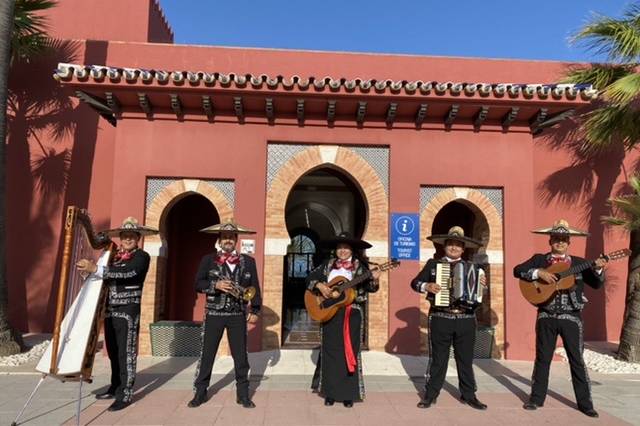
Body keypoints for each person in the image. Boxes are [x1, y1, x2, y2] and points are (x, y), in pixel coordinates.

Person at [514, 219, 606, 418]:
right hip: (546, 315)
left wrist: (598, 268)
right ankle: (536, 398)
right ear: (550, 240)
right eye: (556, 238)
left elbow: (596, 284)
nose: (560, 242)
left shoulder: (580, 263)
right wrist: (539, 273)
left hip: (571, 317)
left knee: (577, 360)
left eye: (564, 239)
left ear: (569, 242)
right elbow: (517, 270)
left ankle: (585, 403)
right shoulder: (539, 259)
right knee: (542, 358)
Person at [76, 217, 158, 411]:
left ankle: (125, 393)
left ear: (138, 238)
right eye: (125, 236)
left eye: (132, 236)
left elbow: (129, 274)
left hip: (128, 311)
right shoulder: (114, 257)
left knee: (126, 353)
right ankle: (115, 387)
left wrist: (96, 269)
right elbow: (106, 275)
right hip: (111, 310)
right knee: (113, 352)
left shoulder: (142, 257)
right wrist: (89, 272)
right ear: (121, 238)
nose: (128, 239)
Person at [410, 226, 488, 410]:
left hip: (466, 318)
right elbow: (415, 283)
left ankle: (469, 395)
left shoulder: (474, 267)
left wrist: (482, 287)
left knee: (465, 359)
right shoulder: (433, 264)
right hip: (440, 317)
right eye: (450, 244)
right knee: (438, 359)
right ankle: (430, 395)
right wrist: (426, 285)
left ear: (463, 248)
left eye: (458, 245)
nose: (454, 248)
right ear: (444, 247)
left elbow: (478, 296)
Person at [188, 219, 262, 409]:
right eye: (225, 237)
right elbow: (198, 284)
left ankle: (243, 394)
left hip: (237, 313)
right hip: (214, 313)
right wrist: (216, 285)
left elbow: (255, 288)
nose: (228, 240)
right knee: (207, 354)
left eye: (231, 237)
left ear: (236, 239)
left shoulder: (248, 262)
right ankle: (200, 392)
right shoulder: (208, 259)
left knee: (240, 356)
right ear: (220, 240)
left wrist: (255, 309)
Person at [305, 231, 380, 408]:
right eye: (340, 247)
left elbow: (370, 288)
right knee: (330, 351)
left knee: (349, 352)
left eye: (346, 247)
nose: (343, 251)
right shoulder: (327, 265)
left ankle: (348, 393)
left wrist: (375, 280)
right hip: (329, 312)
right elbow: (309, 278)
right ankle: (330, 392)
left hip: (351, 314)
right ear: (336, 250)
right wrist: (320, 285)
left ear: (352, 249)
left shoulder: (361, 267)